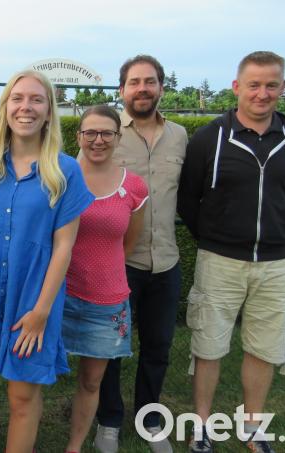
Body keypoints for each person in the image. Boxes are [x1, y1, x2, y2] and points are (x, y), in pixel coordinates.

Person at [178, 51, 285, 453]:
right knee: (208, 344)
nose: (262, 93)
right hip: (219, 260)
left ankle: (252, 426)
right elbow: (188, 201)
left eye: (272, 85)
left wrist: (278, 236)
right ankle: (202, 425)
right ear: (237, 87)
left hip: (275, 263)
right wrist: (216, 238)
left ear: (282, 88)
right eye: (254, 84)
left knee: (265, 347)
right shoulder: (209, 138)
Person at [0, 70, 93, 453]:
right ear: (5, 108)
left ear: (49, 111)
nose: (25, 107)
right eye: (17, 99)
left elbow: (64, 247)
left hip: (32, 300)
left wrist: (41, 312)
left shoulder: (65, 171)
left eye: (36, 99)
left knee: (22, 400)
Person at [94, 55, 187, 453]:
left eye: (150, 81)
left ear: (161, 87)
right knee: (111, 348)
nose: (142, 88)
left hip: (165, 262)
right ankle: (108, 421)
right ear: (122, 90)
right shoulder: (107, 134)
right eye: (134, 82)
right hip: (118, 264)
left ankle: (150, 419)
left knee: (158, 346)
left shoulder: (181, 136)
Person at [62, 105, 148, 453]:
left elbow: (127, 244)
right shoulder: (59, 177)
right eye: (90, 133)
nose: (98, 141)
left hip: (106, 301)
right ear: (78, 136)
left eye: (106, 133)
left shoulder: (135, 187)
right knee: (33, 378)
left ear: (118, 136)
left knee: (91, 381)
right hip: (57, 296)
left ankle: (74, 446)